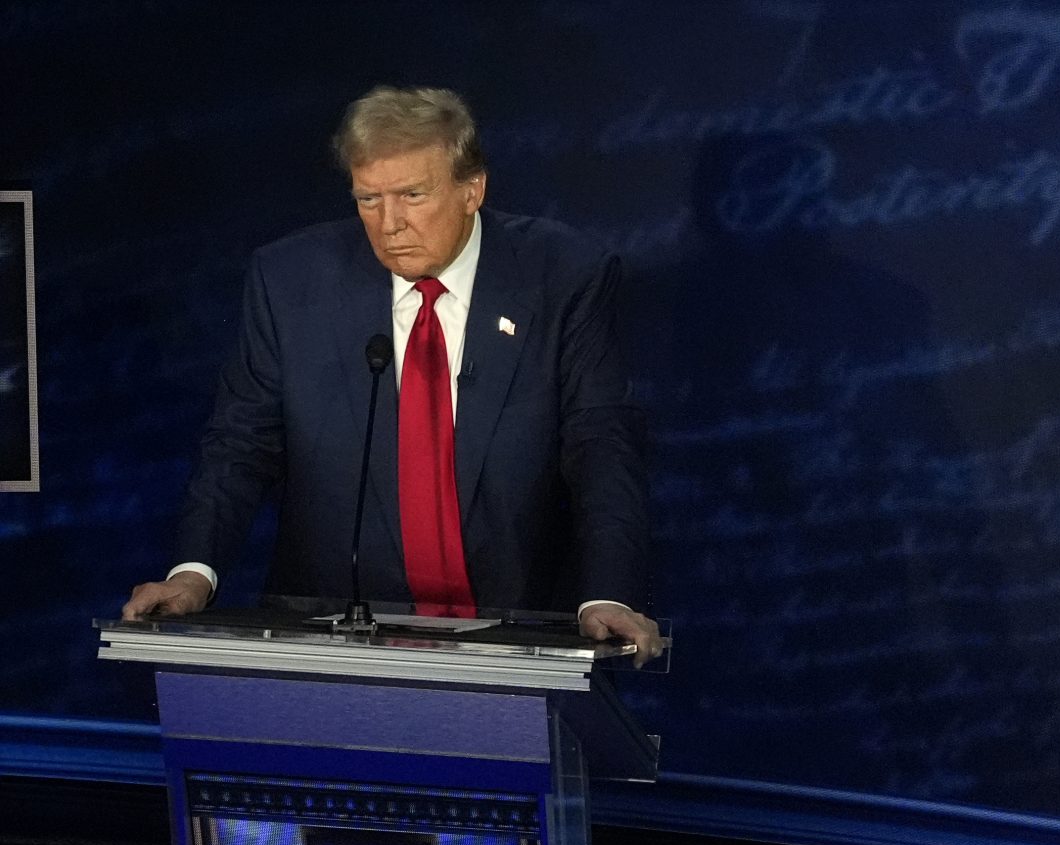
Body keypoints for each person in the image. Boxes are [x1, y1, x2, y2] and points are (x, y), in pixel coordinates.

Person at [120, 85, 660, 654]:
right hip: (332, 632)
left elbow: (601, 445)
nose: (390, 223)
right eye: (368, 200)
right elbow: (239, 443)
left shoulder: (564, 276)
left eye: (412, 194)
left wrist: (608, 595)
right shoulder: (289, 281)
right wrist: (193, 572)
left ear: (472, 189)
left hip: (518, 629)